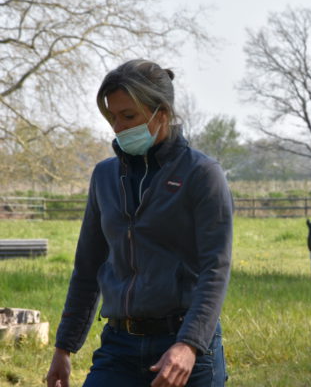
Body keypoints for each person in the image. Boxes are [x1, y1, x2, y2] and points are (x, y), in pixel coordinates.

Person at [46, 59, 233, 387]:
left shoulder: (202, 174)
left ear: (162, 112)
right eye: (112, 117)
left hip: (185, 347)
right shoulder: (104, 176)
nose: (118, 127)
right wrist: (64, 348)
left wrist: (188, 345)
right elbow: (87, 269)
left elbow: (214, 269)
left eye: (128, 116)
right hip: (119, 347)